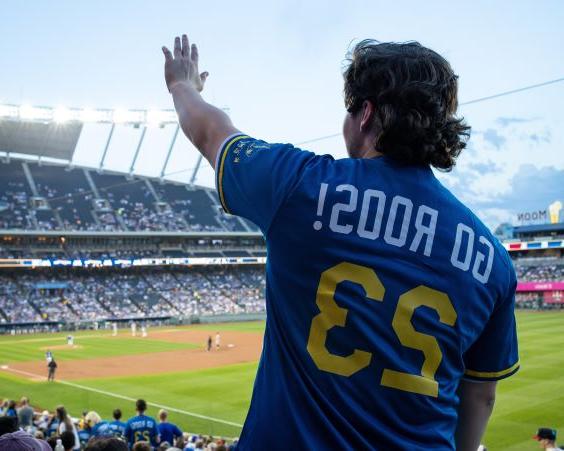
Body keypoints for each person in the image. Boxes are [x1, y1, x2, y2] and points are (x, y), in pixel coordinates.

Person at [162, 35, 519, 450]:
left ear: (365, 114)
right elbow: (481, 395)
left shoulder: (300, 185)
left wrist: (182, 86)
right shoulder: (491, 258)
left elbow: (210, 131)